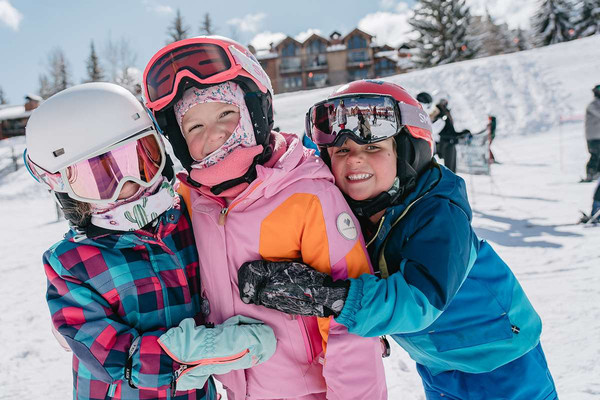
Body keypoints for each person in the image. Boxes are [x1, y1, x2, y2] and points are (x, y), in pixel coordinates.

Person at [238, 80, 558, 400]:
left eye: (373, 148)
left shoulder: (439, 214)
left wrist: (324, 297)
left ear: (406, 152)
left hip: (503, 360)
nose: (354, 160)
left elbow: (417, 300)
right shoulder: (353, 219)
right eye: (342, 150)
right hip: (437, 365)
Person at [142, 36, 387, 400]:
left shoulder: (307, 196)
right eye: (194, 127)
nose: (213, 135)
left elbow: (352, 321)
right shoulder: (191, 203)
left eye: (227, 113)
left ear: (256, 112)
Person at [25, 82, 276, 400]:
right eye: (100, 179)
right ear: (65, 189)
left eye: (139, 162)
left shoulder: (185, 219)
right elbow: (106, 351)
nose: (128, 187)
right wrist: (193, 353)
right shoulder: (71, 263)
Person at [430, 98, 461, 172]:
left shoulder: (446, 112)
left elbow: (450, 130)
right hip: (444, 142)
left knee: (451, 166)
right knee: (449, 167)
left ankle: (451, 180)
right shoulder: (439, 112)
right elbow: (435, 130)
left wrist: (459, 134)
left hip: (450, 141)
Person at [583, 84, 600, 182]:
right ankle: (591, 173)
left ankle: (597, 173)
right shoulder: (593, 105)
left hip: (597, 134)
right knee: (595, 153)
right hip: (594, 136)